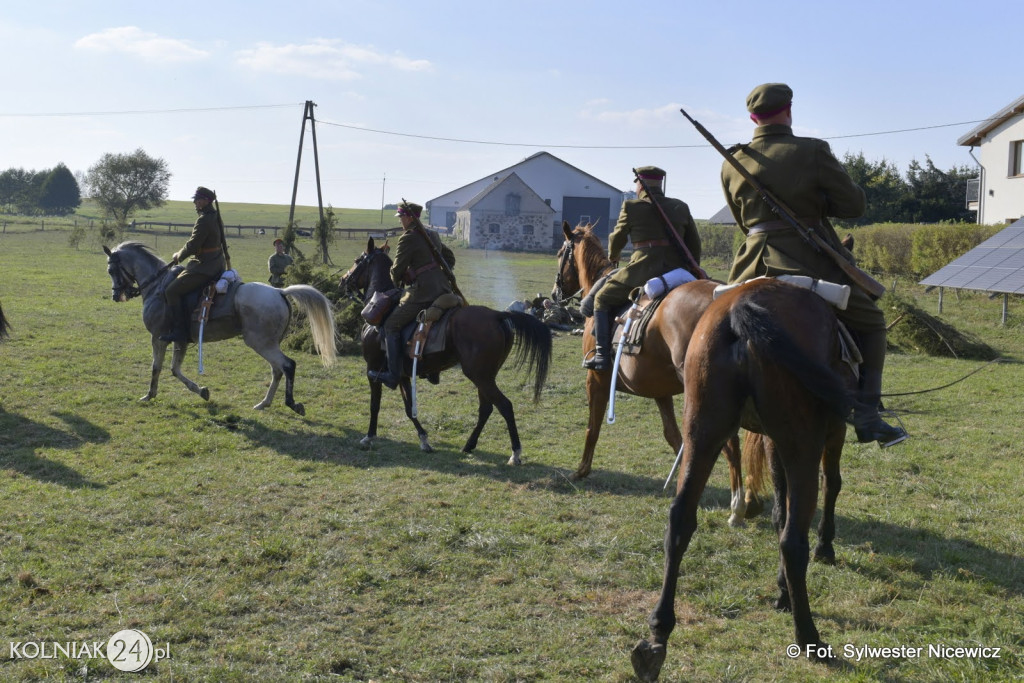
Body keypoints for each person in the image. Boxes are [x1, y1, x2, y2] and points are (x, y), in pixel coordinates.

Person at [721, 82, 906, 447]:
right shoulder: (812, 151)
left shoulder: (731, 162)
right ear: (789, 110)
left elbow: (744, 224)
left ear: (751, 118)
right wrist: (819, 203)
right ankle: (868, 415)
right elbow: (854, 207)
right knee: (872, 322)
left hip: (751, 264)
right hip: (810, 260)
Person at [585, 166, 701, 370]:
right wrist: (691, 270)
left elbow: (618, 237)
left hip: (643, 269)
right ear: (660, 184)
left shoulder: (631, 206)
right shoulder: (680, 207)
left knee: (602, 298)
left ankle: (602, 356)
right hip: (677, 271)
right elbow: (694, 244)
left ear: (640, 184)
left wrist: (614, 255)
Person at [368, 201, 457, 389]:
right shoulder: (432, 234)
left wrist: (404, 277)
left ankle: (393, 375)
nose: (400, 221)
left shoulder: (408, 238)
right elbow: (449, 258)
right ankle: (433, 370)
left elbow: (396, 270)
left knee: (391, 326)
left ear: (409, 217)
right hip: (442, 289)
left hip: (422, 293)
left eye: (401, 217)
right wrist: (436, 273)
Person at [159, 186, 227, 343]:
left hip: (205, 266)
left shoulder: (203, 220)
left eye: (197, 200)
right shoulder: (215, 216)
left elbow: (194, 245)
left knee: (171, 291)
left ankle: (180, 331)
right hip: (217, 263)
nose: (195, 203)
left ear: (206, 201)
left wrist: (178, 255)